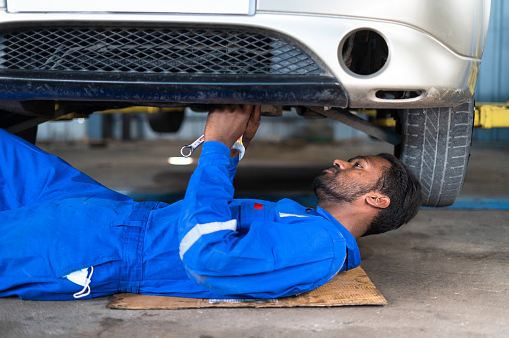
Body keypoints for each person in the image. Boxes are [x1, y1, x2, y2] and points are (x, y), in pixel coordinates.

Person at [0, 105, 422, 301]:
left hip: (94, 247)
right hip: (109, 211)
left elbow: (207, 258)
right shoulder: (312, 225)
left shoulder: (321, 248)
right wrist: (234, 148)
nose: (340, 161)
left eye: (357, 165)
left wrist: (216, 146)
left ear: (375, 198)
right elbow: (215, 215)